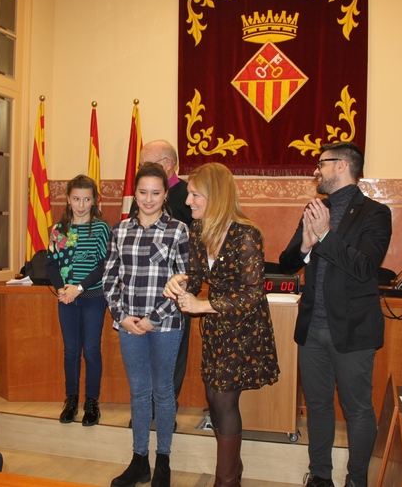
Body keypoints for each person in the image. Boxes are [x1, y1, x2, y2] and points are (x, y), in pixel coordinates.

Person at [279, 142, 392, 487]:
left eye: (321, 164)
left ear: (342, 166)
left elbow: (364, 267)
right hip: (312, 329)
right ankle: (320, 476)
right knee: (317, 406)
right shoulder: (316, 209)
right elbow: (286, 263)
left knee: (357, 409)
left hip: (353, 331)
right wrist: (305, 244)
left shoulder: (375, 213)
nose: (316, 171)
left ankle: (357, 480)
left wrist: (325, 235)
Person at [163, 162, 279, 486]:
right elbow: (196, 275)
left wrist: (202, 305)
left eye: (194, 195)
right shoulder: (199, 231)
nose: (188, 201)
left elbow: (254, 293)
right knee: (213, 400)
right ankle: (233, 467)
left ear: (214, 195)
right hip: (216, 331)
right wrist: (179, 282)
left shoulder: (246, 234)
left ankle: (226, 480)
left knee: (225, 401)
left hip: (245, 330)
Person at [103, 162, 190, 487]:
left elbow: (185, 281)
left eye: (155, 193)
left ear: (166, 194)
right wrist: (121, 316)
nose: (149, 199)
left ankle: (163, 461)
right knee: (139, 393)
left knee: (163, 392)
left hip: (166, 325)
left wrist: (153, 319)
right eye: (143, 192)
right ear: (135, 194)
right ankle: (139, 460)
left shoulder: (178, 230)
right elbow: (109, 278)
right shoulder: (120, 231)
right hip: (129, 324)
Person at [47, 175, 111, 427]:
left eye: (87, 199)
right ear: (68, 199)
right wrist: (61, 289)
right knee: (71, 351)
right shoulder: (58, 230)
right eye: (76, 199)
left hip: (93, 297)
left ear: (95, 200)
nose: (81, 205)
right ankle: (71, 399)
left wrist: (79, 288)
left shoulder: (101, 228)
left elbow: (103, 265)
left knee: (91, 350)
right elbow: (51, 264)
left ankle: (91, 401)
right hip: (66, 299)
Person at [138, 140, 193, 406]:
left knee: (172, 356)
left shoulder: (188, 195)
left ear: (168, 164)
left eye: (146, 164)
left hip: (176, 291)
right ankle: (145, 406)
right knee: (143, 355)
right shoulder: (142, 197)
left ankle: (166, 407)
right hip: (143, 290)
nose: (149, 199)